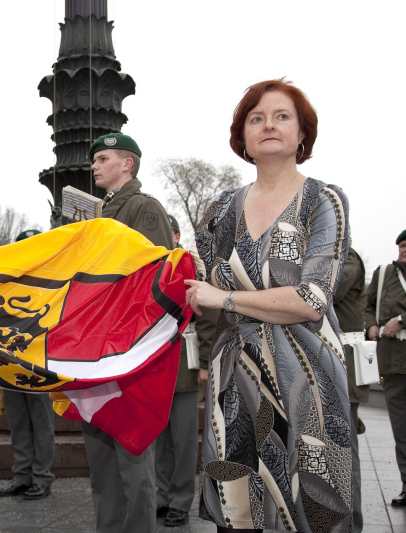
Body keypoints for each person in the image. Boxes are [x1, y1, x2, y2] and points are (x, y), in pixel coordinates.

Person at [185, 78, 351, 532]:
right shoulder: (220, 208)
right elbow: (196, 280)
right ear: (243, 138)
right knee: (237, 509)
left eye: (282, 116)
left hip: (307, 376)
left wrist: (227, 298)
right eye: (256, 118)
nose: (268, 125)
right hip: (233, 378)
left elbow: (312, 299)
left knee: (313, 503)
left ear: (302, 134)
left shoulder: (324, 200)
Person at [85, 132, 174, 533]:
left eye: (103, 158)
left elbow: (154, 279)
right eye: (95, 160)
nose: (94, 165)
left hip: (125, 348)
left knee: (132, 455)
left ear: (128, 164)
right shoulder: (98, 215)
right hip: (95, 347)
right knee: (102, 461)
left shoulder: (143, 207)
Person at [154, 215, 217, 528]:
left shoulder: (191, 265)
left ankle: (180, 500)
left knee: (183, 437)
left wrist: (205, 363)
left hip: (183, 364)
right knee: (160, 435)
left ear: (176, 235)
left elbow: (206, 318)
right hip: (154, 364)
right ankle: (161, 496)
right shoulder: (150, 264)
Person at [0, 229, 56, 501]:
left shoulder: (51, 279)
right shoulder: (8, 280)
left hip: (39, 360)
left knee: (41, 421)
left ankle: (42, 477)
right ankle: (22, 475)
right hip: (11, 360)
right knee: (19, 420)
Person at [366, 230, 406, 507]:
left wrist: (401, 320)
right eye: (402, 246)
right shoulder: (383, 275)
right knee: (402, 431)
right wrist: (372, 325)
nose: (405, 250)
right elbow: (368, 306)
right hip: (393, 363)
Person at [334, 247, 368, 530]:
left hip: (343, 365)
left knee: (345, 449)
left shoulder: (348, 258)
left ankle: (352, 523)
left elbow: (324, 292)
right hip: (330, 363)